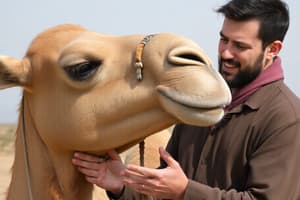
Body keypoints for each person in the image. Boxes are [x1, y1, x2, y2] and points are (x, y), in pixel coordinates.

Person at [72, 0, 300, 199]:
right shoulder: (200, 100)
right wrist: (121, 185)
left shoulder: (286, 118)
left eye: (239, 46)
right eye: (224, 40)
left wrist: (185, 191)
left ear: (272, 49)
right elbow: (164, 191)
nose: (225, 53)